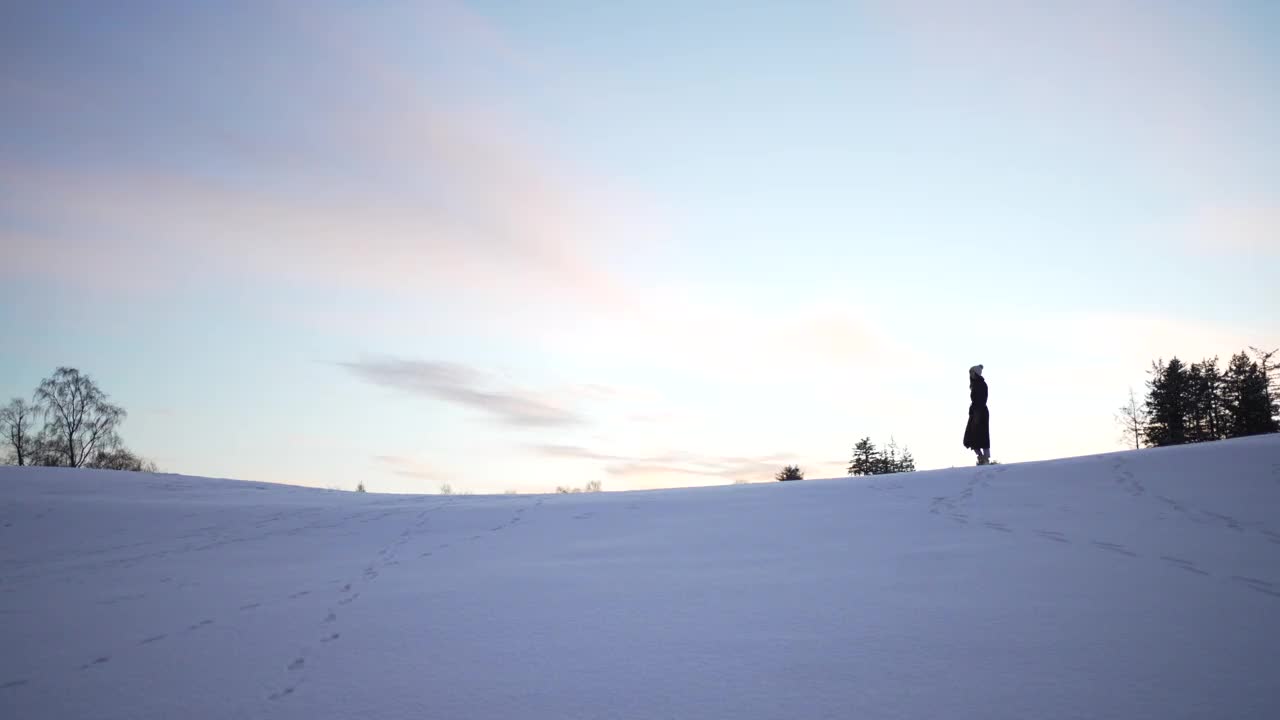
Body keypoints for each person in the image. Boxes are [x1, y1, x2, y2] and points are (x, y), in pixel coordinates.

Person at [963, 364, 991, 465]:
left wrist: (977, 413)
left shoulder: (981, 384)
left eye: (972, 372)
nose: (970, 375)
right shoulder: (975, 384)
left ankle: (985, 458)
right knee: (971, 438)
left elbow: (981, 400)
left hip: (980, 412)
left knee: (981, 436)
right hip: (976, 412)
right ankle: (981, 457)